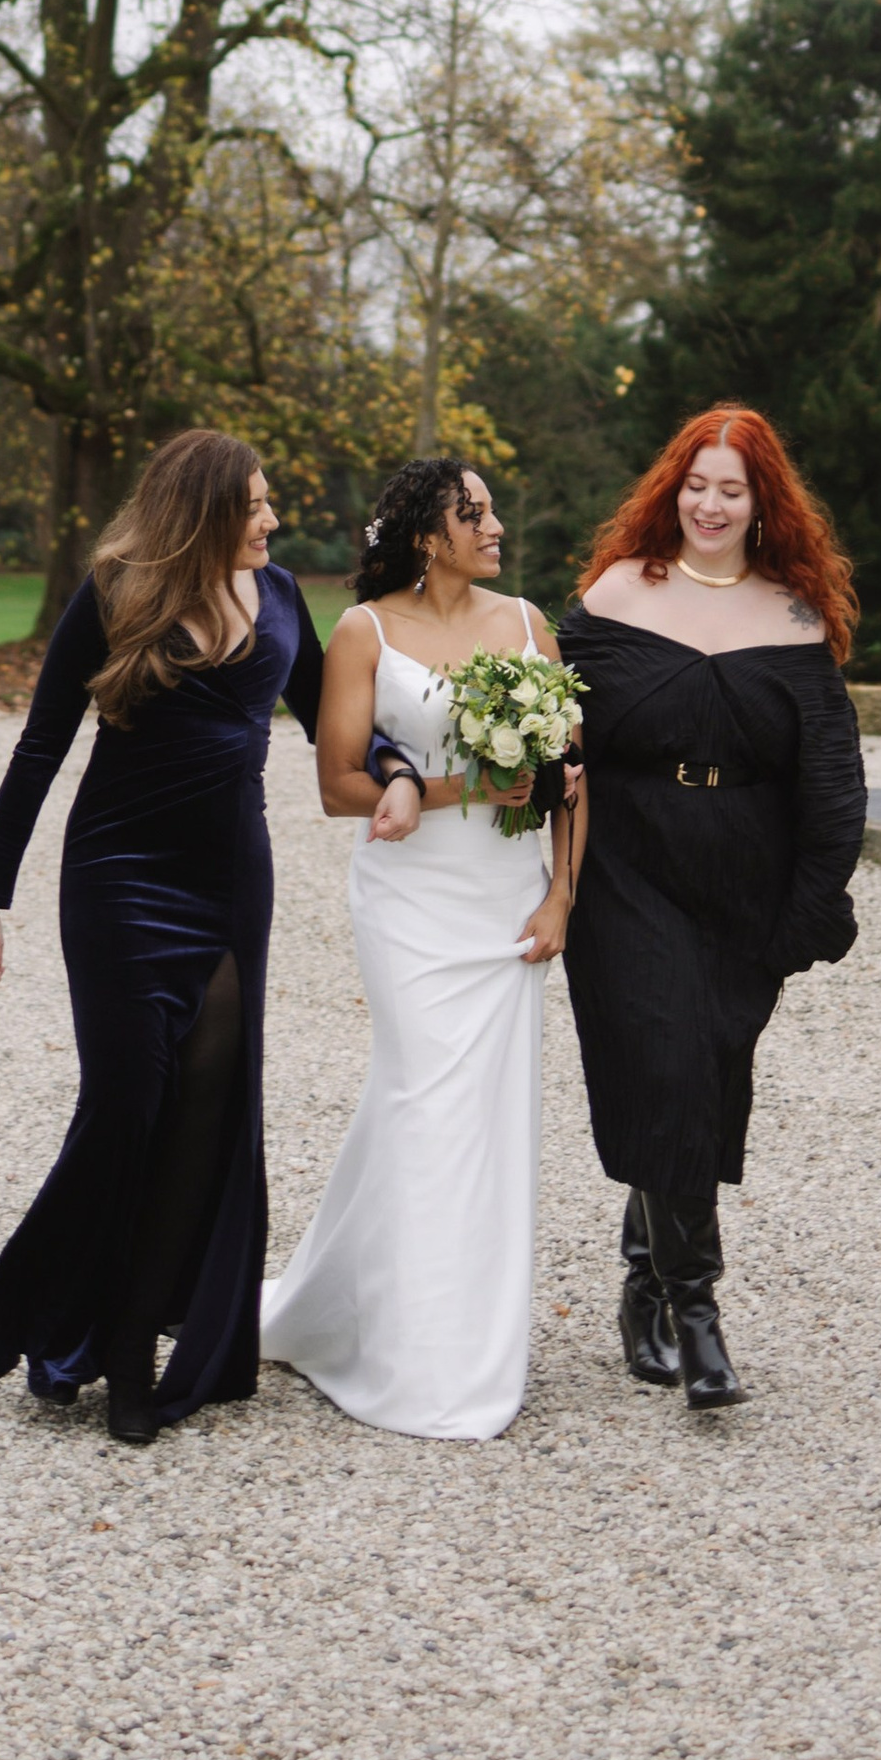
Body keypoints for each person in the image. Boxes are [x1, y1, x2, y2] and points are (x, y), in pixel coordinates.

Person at [0, 431, 304, 1444]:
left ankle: (131, 1355)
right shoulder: (113, 590)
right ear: (200, 510)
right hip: (117, 881)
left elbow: (338, 716)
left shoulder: (280, 598)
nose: (271, 520)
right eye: (254, 504)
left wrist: (406, 771)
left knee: (204, 1117)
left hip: (233, 885)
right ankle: (57, 1313)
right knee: (124, 1105)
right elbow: (39, 745)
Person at [259, 458, 582, 1440]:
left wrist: (562, 894)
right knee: (422, 1098)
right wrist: (464, 788)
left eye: (489, 510)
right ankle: (407, 1356)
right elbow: (337, 785)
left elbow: (570, 770)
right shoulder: (364, 632)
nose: (493, 524)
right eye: (471, 512)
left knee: (483, 1114)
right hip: (406, 903)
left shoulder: (529, 625)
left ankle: (446, 1333)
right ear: (424, 535)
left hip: (504, 899)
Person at [558, 407, 865, 1409]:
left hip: (742, 882)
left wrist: (812, 903)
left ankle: (644, 1269)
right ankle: (697, 1316)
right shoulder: (614, 593)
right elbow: (558, 740)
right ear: (672, 490)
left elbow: (830, 784)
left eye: (732, 488)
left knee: (701, 1077)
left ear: (761, 502)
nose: (711, 503)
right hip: (627, 871)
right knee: (668, 1060)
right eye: (697, 484)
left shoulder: (795, 615)